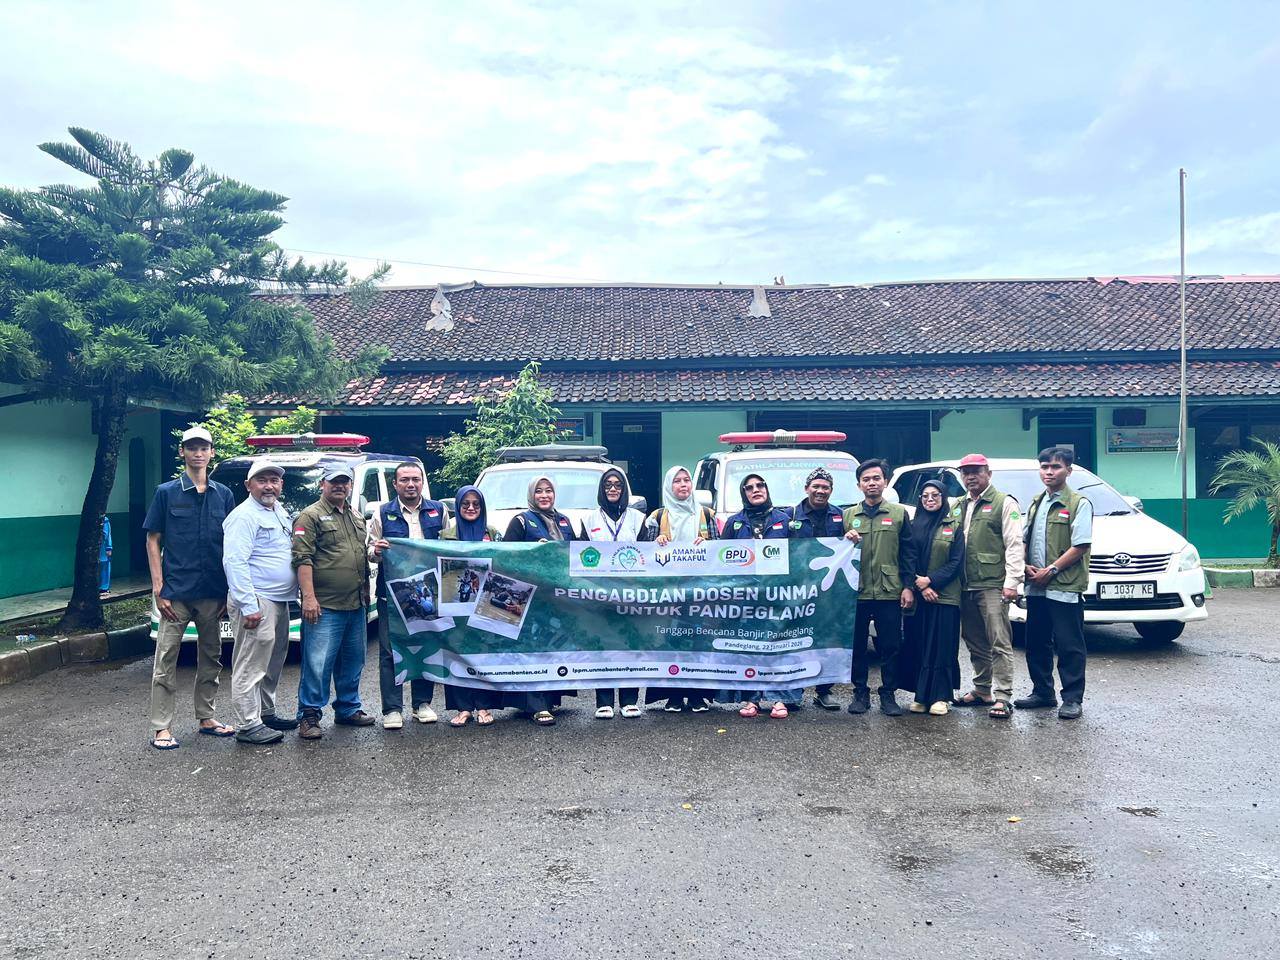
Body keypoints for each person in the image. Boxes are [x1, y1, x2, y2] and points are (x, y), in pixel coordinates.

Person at [142, 425, 238, 750]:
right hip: (175, 593)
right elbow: (153, 539)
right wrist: (158, 586)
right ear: (182, 452)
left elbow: (230, 545)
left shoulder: (223, 494)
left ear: (212, 453)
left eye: (204, 448)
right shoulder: (166, 492)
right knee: (166, 659)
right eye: (192, 448)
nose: (198, 453)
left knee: (212, 656)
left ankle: (207, 717)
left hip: (212, 591)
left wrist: (228, 589)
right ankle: (161, 728)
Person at [292, 463, 375, 739]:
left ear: (350, 485)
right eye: (334, 482)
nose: (339, 486)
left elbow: (360, 555)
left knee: (353, 661)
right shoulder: (310, 516)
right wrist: (309, 598)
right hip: (324, 605)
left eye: (344, 482)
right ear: (322, 485)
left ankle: (348, 708)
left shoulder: (354, 515)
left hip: (355, 603)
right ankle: (310, 715)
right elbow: (302, 559)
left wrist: (365, 590)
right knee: (317, 663)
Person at [222, 459, 297, 745]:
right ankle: (248, 724)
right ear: (248, 485)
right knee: (250, 663)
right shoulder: (244, 516)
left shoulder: (279, 511)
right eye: (262, 480)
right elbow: (234, 561)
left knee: (273, 660)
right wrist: (248, 604)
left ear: (281, 485)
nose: (269, 485)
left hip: (279, 600)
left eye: (274, 480)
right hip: (257, 600)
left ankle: (266, 712)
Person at [367, 461, 446, 731]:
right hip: (392, 592)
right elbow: (369, 548)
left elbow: (449, 547)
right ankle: (392, 709)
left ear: (422, 482)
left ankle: (422, 704)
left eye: (415, 479)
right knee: (391, 651)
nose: (410, 484)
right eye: (404, 480)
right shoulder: (382, 513)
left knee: (427, 645)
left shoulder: (439, 510)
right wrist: (376, 551)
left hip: (429, 593)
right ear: (395, 484)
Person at [1016, 447, 1093, 720]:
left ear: (1068, 471)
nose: (1049, 471)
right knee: (1036, 641)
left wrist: (1051, 570)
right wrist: (1024, 565)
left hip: (1064, 586)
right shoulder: (1037, 501)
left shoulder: (1078, 503)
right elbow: (1024, 539)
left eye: (1056, 467)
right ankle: (1042, 692)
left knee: (1069, 643)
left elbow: (1081, 545)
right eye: (1045, 466)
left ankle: (1072, 698)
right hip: (1036, 585)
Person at [952, 453, 1025, 719]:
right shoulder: (958, 505)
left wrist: (1012, 582)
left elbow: (1015, 543)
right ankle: (982, 690)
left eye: (976, 471)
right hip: (965, 584)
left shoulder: (1004, 503)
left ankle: (1003, 695)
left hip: (993, 584)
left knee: (999, 640)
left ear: (988, 474)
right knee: (973, 640)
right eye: (966, 472)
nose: (970, 477)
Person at [502, 476, 579, 725]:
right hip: (530, 597)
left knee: (554, 646)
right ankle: (536, 704)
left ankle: (551, 698)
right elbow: (506, 557)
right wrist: (535, 552)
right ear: (531, 495)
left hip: (558, 596)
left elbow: (577, 554)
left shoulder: (564, 520)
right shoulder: (521, 521)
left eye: (548, 491)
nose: (544, 495)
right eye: (539, 492)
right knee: (532, 648)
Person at [842, 458, 915, 717]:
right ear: (859, 485)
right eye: (866, 479)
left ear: (884, 482)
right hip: (857, 592)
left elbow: (908, 553)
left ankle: (888, 694)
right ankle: (860, 692)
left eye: (876, 478)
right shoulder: (849, 515)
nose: (871, 483)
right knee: (857, 645)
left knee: (891, 644)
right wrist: (846, 537)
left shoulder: (898, 514)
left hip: (889, 589)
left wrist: (908, 586)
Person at [725, 474, 800, 719]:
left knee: (779, 646)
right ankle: (751, 699)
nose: (756, 490)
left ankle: (780, 698)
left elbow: (801, 555)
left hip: (779, 596)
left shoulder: (785, 519)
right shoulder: (735, 522)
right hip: (746, 598)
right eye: (750, 488)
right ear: (743, 493)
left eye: (760, 486)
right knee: (750, 646)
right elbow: (719, 558)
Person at [644, 465, 717, 713]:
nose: (684, 485)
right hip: (668, 593)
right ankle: (673, 695)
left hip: (699, 591)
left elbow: (721, 550)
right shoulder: (657, 516)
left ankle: (697, 695)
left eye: (687, 480)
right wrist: (656, 543)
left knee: (698, 641)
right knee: (670, 641)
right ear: (669, 486)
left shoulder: (706, 515)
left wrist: (707, 544)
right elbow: (641, 552)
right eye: (677, 481)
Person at [580, 468, 645, 719]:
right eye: (608, 485)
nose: (613, 489)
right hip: (599, 593)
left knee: (630, 642)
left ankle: (629, 699)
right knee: (603, 644)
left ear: (625, 489)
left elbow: (648, 557)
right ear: (601, 489)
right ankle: (603, 700)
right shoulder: (589, 520)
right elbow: (580, 558)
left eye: (618, 485)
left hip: (631, 592)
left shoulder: (639, 519)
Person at [898, 479, 964, 716]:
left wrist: (932, 581)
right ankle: (921, 695)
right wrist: (920, 584)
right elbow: (906, 557)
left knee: (942, 645)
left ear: (943, 498)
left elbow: (956, 562)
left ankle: (941, 697)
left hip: (945, 597)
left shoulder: (953, 526)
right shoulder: (913, 525)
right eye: (925, 496)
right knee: (920, 643)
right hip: (918, 595)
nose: (929, 500)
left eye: (935, 495)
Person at [786, 467, 847, 710]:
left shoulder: (841, 516)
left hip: (829, 590)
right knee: (796, 638)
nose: (821, 491)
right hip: (799, 589)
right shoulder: (789, 516)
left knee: (827, 638)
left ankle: (824, 691)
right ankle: (794, 690)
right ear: (807, 488)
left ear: (831, 491)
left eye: (826, 487)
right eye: (816, 486)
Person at [441, 485, 501, 727]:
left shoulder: (493, 533)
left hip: (486, 604)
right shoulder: (446, 535)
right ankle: (463, 707)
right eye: (465, 503)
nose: (471, 508)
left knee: (484, 653)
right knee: (457, 652)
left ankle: (484, 706)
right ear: (458, 506)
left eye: (476, 503)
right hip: (456, 603)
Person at [98, 515, 112, 596]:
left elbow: (106, 535)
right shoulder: (104, 520)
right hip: (102, 548)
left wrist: (108, 548)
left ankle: (103, 587)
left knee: (103, 567)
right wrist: (109, 547)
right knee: (104, 567)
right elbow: (107, 534)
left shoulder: (103, 520)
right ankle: (103, 588)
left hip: (100, 548)